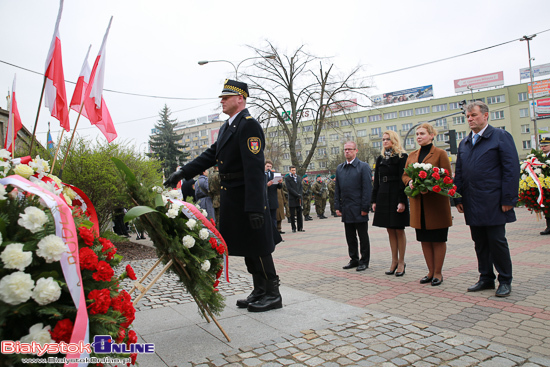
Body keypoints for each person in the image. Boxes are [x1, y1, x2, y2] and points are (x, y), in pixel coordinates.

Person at [164, 79, 283, 312]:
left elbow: (255, 169)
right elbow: (210, 155)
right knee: (249, 247)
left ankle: (272, 293)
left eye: (227, 97)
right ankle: (259, 290)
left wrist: (256, 207)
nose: (222, 100)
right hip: (234, 198)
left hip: (247, 198)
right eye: (222, 97)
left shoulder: (248, 125)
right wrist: (183, 172)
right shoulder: (228, 126)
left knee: (258, 246)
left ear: (240, 99)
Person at [454, 101, 520, 297]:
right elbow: (459, 172)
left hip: (494, 201)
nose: (470, 119)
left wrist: (509, 198)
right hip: (472, 201)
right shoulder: (464, 143)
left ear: (485, 116)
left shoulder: (500, 137)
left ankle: (505, 280)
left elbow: (511, 169)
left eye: (473, 115)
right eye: (467, 116)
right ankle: (486, 278)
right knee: (480, 241)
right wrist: (457, 198)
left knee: (497, 241)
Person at [402, 123, 452, 286]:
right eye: (417, 134)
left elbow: (447, 178)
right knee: (424, 240)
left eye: (422, 133)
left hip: (435, 205)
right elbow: (405, 176)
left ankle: (438, 272)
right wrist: (411, 182)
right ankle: (430, 271)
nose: (418, 136)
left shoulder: (440, 153)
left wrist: (430, 186)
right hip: (418, 205)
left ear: (431, 135)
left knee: (437, 239)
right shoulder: (412, 156)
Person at [372, 130, 409, 276]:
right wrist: (374, 200)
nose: (385, 141)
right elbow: (376, 180)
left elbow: (403, 179)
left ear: (394, 140)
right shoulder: (380, 158)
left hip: (396, 193)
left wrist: (402, 200)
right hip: (383, 194)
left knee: (399, 229)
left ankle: (401, 261)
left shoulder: (402, 157)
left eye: (388, 139)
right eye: (383, 139)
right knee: (389, 229)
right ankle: (393, 261)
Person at [335, 141, 373, 272]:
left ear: (356, 151)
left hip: (359, 208)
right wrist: (337, 206)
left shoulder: (363, 167)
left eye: (350, 149)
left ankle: (364, 261)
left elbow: (367, 189)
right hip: (347, 208)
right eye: (345, 149)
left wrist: (365, 208)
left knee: (362, 236)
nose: (347, 151)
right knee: (350, 236)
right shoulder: (340, 168)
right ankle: (354, 259)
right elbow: (337, 189)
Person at [284, 166, 305, 233]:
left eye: (294, 170)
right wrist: (296, 194)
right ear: (290, 170)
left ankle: (300, 227)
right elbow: (289, 188)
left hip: (299, 198)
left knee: (299, 213)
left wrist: (300, 194)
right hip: (292, 198)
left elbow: (301, 186)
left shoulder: (298, 177)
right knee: (292, 214)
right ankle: (293, 228)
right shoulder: (287, 178)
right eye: (292, 170)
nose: (294, 172)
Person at [265, 159, 282, 231]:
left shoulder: (274, 175)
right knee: (266, 218)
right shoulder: (261, 175)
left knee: (274, 218)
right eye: (267, 166)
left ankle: (275, 235)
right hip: (265, 199)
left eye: (270, 166)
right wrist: (266, 185)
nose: (269, 168)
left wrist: (280, 183)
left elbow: (279, 187)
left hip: (273, 199)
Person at [539, 137, 550, 235]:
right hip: (544, 186)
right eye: (542, 146)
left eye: (545, 146)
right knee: (546, 207)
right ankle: (549, 227)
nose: (543, 148)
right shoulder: (540, 157)